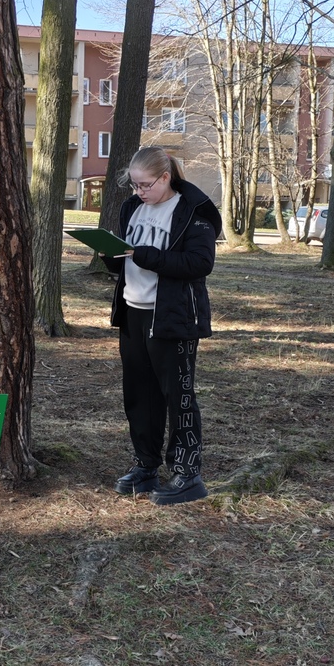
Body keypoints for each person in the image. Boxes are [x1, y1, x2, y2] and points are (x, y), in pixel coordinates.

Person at [102, 147, 222, 505]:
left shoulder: (193, 211)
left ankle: (187, 474)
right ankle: (146, 466)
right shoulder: (132, 207)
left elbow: (199, 263)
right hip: (133, 312)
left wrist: (143, 255)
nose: (139, 192)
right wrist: (111, 256)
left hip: (173, 315)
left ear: (166, 177)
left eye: (146, 185)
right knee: (139, 394)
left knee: (177, 396)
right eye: (134, 185)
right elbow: (126, 260)